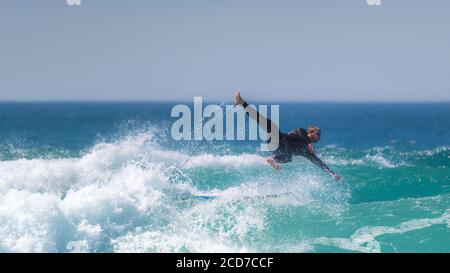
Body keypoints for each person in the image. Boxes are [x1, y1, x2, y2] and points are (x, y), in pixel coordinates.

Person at [234, 91, 341, 181]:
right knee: (265, 122)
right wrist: (308, 143)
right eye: (317, 134)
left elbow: (318, 162)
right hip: (278, 139)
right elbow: (299, 135)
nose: (319, 137)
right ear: (310, 132)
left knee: (288, 158)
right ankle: (242, 103)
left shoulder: (306, 151)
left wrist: (332, 173)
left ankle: (273, 159)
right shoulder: (302, 132)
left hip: (280, 150)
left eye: (320, 135)